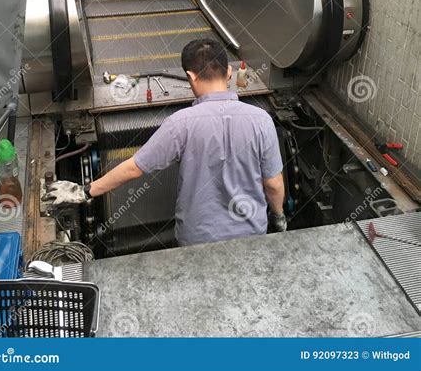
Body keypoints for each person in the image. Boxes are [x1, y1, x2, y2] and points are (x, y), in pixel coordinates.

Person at [45, 39, 287, 245]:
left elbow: (133, 168)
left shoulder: (180, 123)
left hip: (198, 240)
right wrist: (277, 217)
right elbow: (274, 183)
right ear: (229, 73)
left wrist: (84, 190)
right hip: (252, 236)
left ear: (190, 76)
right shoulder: (261, 120)